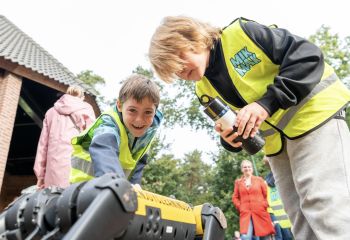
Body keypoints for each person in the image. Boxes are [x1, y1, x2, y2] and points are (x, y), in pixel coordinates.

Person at [149, 16, 350, 239]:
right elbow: (236, 131)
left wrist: (266, 104)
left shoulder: (242, 34)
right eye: (173, 71)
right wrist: (230, 139)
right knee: (300, 220)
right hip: (278, 146)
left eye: (179, 60)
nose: (179, 71)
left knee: (325, 208)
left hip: (316, 117)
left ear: (192, 39)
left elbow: (308, 57)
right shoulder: (203, 91)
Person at [69, 74, 163, 186]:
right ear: (119, 105)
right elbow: (104, 148)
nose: (139, 120)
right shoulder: (109, 124)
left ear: (155, 111)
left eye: (148, 112)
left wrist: (134, 188)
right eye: (132, 110)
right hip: (83, 189)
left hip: (114, 191)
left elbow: (138, 163)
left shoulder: (150, 129)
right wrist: (118, 185)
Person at [34, 85, 96, 189]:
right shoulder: (86, 108)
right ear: (82, 97)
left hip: (52, 169)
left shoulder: (50, 112)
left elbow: (43, 146)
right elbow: (92, 139)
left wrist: (40, 176)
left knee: (52, 201)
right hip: (77, 168)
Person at [232, 160, 275, 240]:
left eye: (249, 167)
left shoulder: (259, 180)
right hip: (246, 214)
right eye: (245, 167)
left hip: (260, 212)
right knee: (245, 237)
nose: (247, 168)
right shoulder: (238, 182)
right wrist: (240, 207)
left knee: (265, 236)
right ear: (242, 169)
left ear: (252, 168)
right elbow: (235, 197)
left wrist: (264, 204)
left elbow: (266, 194)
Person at [264, 156, 293, 240]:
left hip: (284, 212)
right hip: (273, 213)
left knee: (287, 236)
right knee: (279, 237)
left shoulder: (283, 176)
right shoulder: (266, 182)